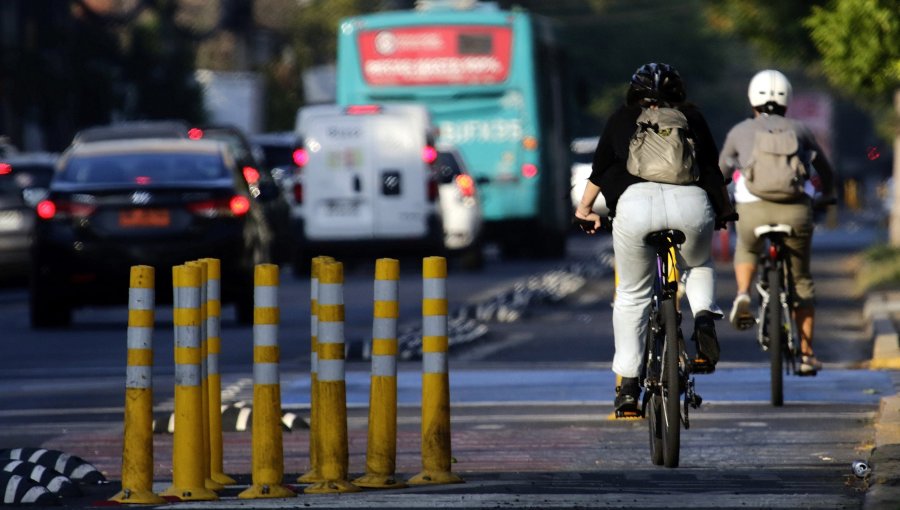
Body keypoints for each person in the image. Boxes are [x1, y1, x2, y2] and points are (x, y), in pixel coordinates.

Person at [575, 63, 736, 415]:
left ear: (634, 92)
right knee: (697, 265)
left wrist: (585, 209)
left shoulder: (621, 119)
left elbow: (600, 170)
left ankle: (629, 388)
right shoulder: (691, 117)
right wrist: (724, 212)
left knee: (632, 296)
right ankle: (705, 317)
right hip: (691, 205)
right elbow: (712, 169)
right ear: (679, 93)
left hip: (635, 208)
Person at [719, 69, 836, 376]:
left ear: (752, 99)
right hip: (794, 212)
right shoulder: (800, 129)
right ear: (787, 99)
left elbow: (719, 172)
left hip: (753, 211)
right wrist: (829, 196)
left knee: (746, 247)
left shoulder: (739, 131)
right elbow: (824, 170)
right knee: (801, 280)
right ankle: (807, 353)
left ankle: (743, 292)